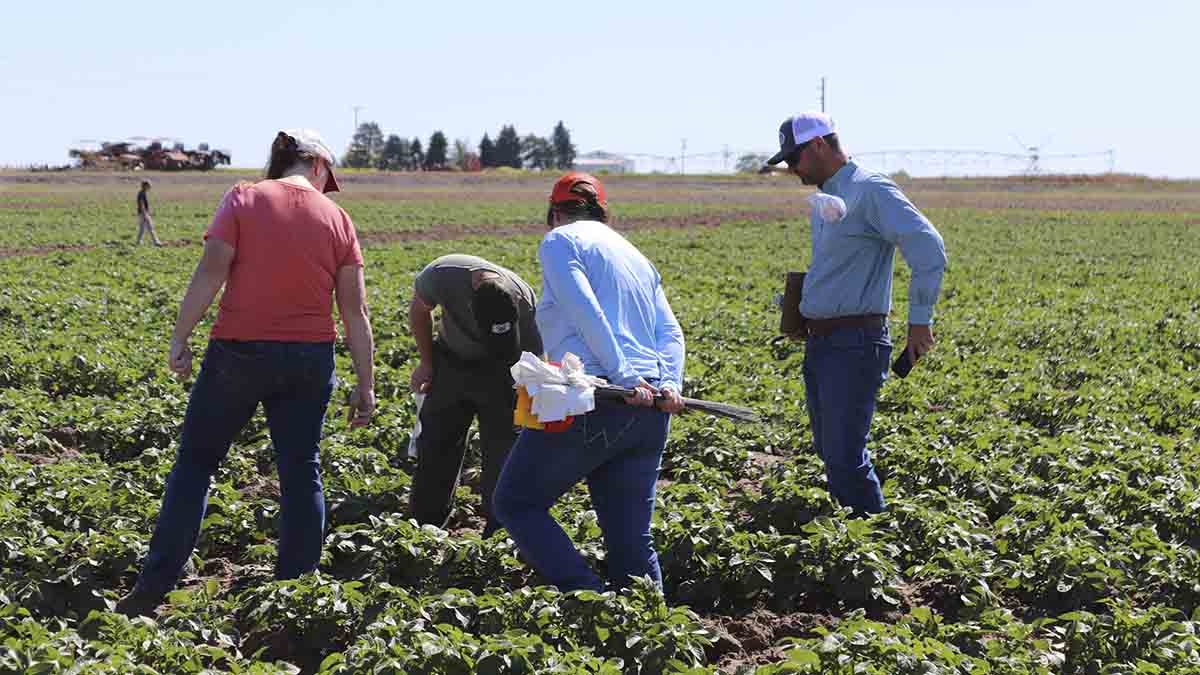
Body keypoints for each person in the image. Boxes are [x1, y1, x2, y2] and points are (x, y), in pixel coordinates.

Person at [117, 129, 375, 616]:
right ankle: (294, 595)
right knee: (301, 470)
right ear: (318, 166)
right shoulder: (338, 219)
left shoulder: (243, 197)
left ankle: (153, 589)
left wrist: (180, 337)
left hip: (238, 351)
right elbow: (355, 313)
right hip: (309, 359)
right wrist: (366, 384)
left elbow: (211, 271)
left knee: (195, 465)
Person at [493, 172, 685, 592]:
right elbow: (669, 332)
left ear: (554, 212)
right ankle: (652, 634)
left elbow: (585, 310)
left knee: (516, 502)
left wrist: (626, 378)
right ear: (602, 211)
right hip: (649, 408)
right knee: (631, 539)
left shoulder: (561, 241)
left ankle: (590, 599)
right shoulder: (636, 256)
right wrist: (668, 384)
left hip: (594, 396)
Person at [766, 112, 947, 514]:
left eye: (793, 159)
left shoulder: (871, 191)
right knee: (831, 452)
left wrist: (920, 322)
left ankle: (871, 545)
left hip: (854, 343)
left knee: (845, 456)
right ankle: (855, 530)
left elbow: (929, 250)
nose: (792, 169)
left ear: (817, 146)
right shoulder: (828, 197)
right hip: (824, 341)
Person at [408, 254, 542, 537]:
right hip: (450, 362)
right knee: (436, 443)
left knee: (503, 452)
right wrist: (427, 363)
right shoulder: (442, 274)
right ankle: (426, 528)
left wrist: (535, 411)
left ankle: (500, 535)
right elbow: (420, 310)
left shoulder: (523, 300)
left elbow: (535, 361)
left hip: (502, 372)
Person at [136, 180, 163, 246]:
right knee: (150, 227)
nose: (150, 187)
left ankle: (139, 242)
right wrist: (145, 214)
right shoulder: (142, 194)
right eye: (149, 186)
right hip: (143, 213)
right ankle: (156, 242)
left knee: (142, 228)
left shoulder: (142, 193)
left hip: (142, 213)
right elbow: (141, 204)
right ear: (145, 186)